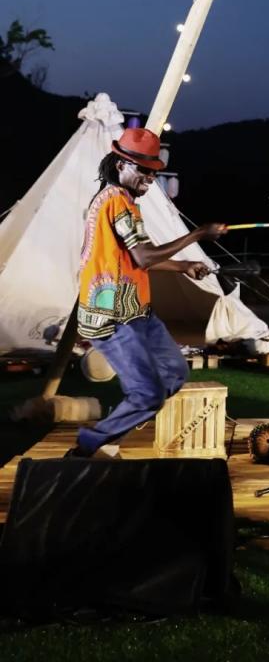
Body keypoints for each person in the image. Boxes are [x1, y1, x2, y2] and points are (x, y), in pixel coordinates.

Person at [67, 127, 226, 458]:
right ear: (121, 163)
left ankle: (131, 411)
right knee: (150, 394)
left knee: (175, 373)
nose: (150, 179)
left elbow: (134, 259)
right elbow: (144, 256)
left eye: (154, 173)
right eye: (143, 170)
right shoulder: (115, 202)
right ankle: (89, 445)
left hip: (137, 311)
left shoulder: (122, 201)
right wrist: (198, 234)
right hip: (111, 316)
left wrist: (182, 267)